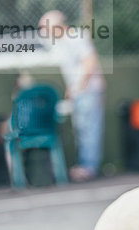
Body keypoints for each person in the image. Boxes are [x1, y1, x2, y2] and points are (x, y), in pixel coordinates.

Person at [38, 10, 105, 182]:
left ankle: (88, 168)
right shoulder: (58, 43)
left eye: (45, 27)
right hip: (78, 92)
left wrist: (79, 87)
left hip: (88, 90)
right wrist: (72, 90)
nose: (44, 31)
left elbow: (90, 62)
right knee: (80, 129)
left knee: (89, 129)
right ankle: (84, 166)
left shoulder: (76, 36)